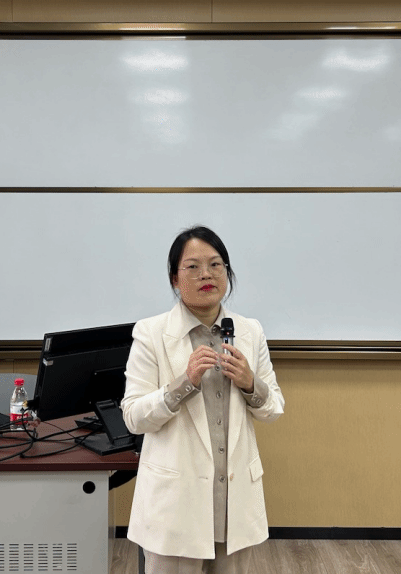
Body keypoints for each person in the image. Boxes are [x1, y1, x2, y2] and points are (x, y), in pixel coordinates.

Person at [121, 225, 285, 574]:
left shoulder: (250, 331)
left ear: (227, 272)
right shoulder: (150, 333)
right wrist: (184, 383)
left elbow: (273, 409)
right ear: (174, 279)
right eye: (192, 267)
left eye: (215, 265)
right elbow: (133, 417)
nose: (206, 274)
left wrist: (250, 383)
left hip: (234, 504)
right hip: (175, 506)